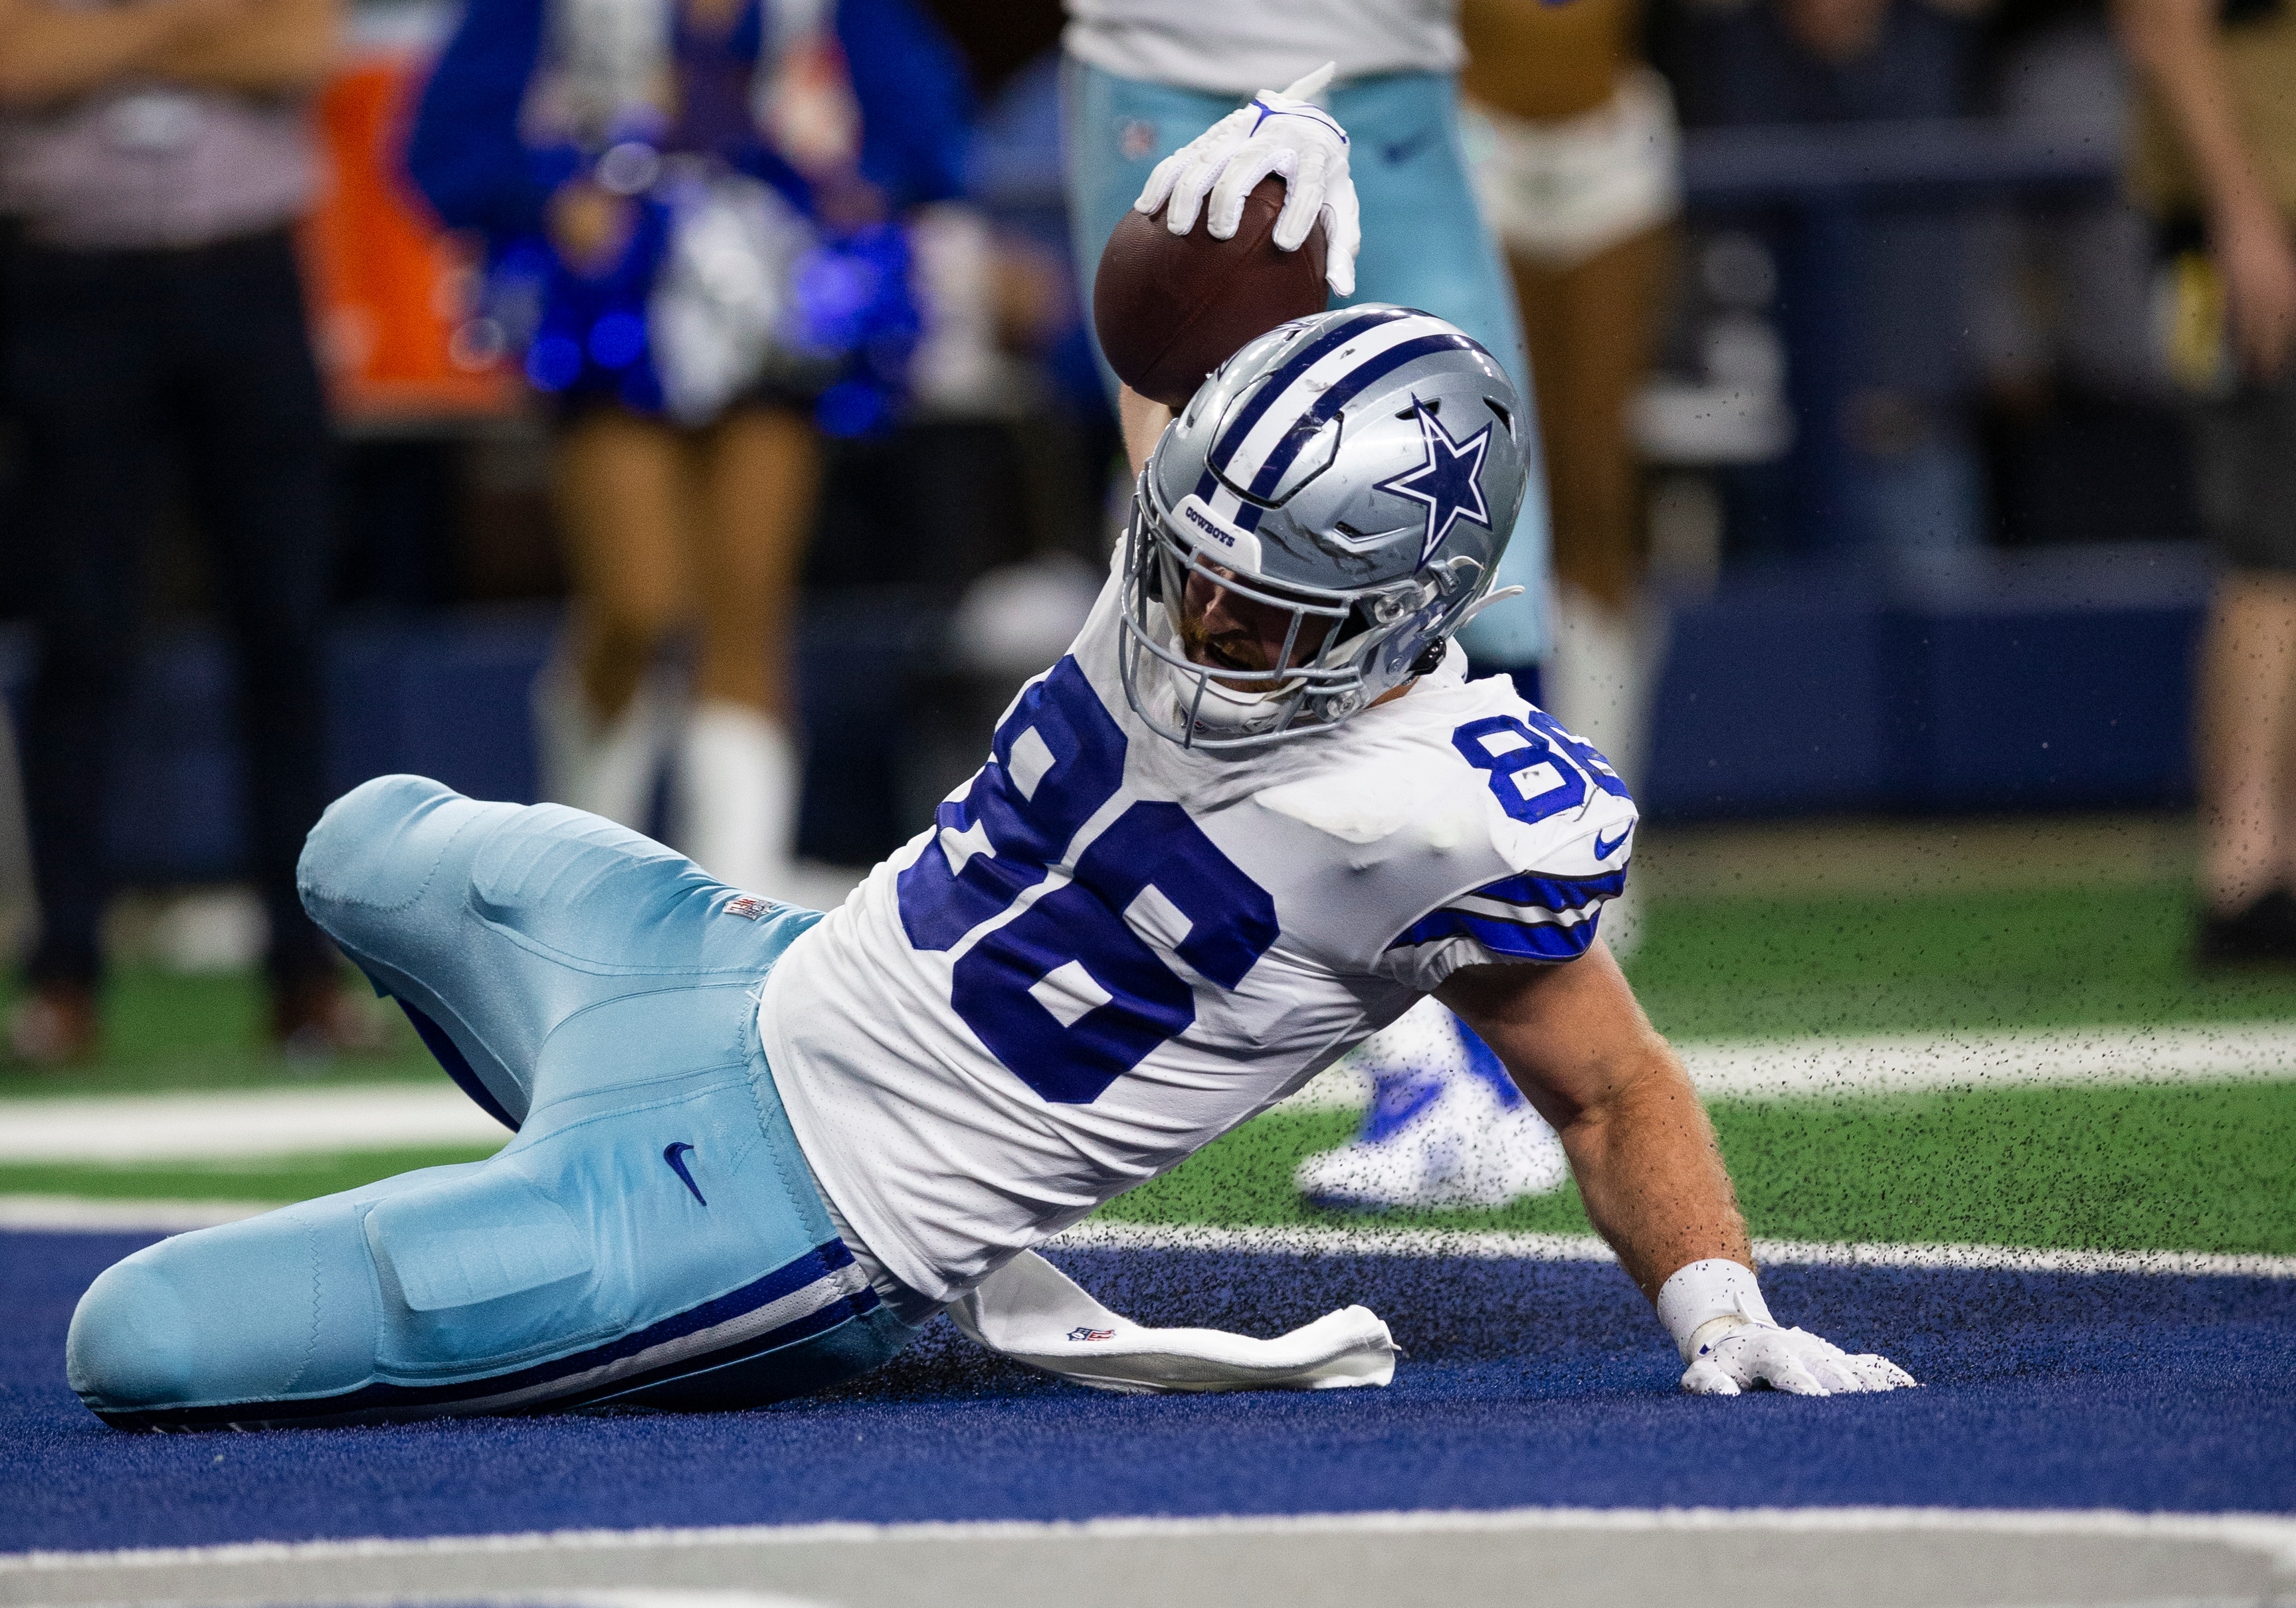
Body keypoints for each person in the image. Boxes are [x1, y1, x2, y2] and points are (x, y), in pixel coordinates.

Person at [65, 288, 1916, 1425]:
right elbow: (1162, 319)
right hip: (746, 973)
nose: (1189, 614)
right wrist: (1244, 199)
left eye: (1253, 607)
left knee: (133, 1337)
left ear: (1404, 609)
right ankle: (562, 1137)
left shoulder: (1439, 813)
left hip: (800, 1216)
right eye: (1182, 557)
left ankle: (574, 1221)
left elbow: (1606, 1088)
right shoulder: (1196, 531)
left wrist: (1718, 1297)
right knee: (364, 840)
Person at [1065, 35, 1576, 1213]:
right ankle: (1414, 1060)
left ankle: (1504, 1043)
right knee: (1217, 564)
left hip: (1393, 79)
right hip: (1169, 64)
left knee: (1488, 567)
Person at [403, 0, 971, 895]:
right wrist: (553, 194)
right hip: (615, 316)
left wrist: (851, 189)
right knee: (635, 604)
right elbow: (446, 147)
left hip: (779, 316)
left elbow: (924, 135)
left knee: (748, 610)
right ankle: (587, 876)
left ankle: (735, 903)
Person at [0, 0, 371, 1062]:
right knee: (80, 637)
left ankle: (304, 973)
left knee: (287, 631)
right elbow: (16, 65)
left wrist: (105, 35)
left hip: (247, 271)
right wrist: (196, 24)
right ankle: (64, 969)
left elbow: (300, 46)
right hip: (71, 272)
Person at [2114, 0, 2296, 962]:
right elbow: (2162, 21)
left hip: (2257, 219)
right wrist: (2242, 214)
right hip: (2250, 235)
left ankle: (2272, 858)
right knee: (2271, 545)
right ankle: (2247, 866)